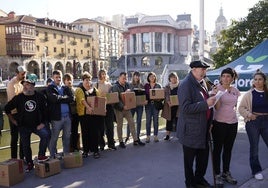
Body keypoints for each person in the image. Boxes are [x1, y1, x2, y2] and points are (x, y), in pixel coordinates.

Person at [177, 60, 216, 188]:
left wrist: (210, 97)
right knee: (189, 161)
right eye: (202, 69)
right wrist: (206, 103)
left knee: (203, 158)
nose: (205, 71)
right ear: (193, 69)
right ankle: (190, 183)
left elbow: (201, 100)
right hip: (190, 130)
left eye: (205, 69)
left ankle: (199, 179)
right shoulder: (185, 85)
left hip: (203, 127)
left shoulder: (202, 81)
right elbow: (185, 108)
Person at [5, 79, 50, 172]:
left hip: (37, 125)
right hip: (23, 126)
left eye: (27, 85)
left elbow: (46, 112)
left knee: (46, 135)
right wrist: (13, 120)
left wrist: (43, 123)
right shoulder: (18, 98)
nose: (25, 87)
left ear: (33, 86)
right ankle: (29, 162)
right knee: (26, 146)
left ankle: (41, 155)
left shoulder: (40, 97)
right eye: (24, 85)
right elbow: (7, 108)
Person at [210, 68, 240, 186]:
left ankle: (226, 172)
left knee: (228, 149)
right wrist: (217, 94)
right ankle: (217, 174)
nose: (226, 78)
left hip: (233, 123)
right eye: (224, 76)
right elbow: (216, 108)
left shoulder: (235, 90)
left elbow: (234, 106)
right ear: (220, 78)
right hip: (219, 123)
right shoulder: (216, 89)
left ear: (233, 78)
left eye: (228, 76)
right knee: (217, 149)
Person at [238, 69, 268, 181]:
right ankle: (256, 170)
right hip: (253, 122)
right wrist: (249, 115)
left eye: (260, 79)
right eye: (255, 79)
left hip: (267, 121)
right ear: (253, 81)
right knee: (254, 147)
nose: (258, 81)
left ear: (264, 81)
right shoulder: (249, 94)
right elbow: (241, 108)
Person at [111, 72, 145, 148]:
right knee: (120, 125)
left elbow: (131, 96)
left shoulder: (127, 85)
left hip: (127, 108)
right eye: (123, 78)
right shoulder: (115, 87)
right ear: (119, 78)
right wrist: (123, 107)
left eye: (125, 78)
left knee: (132, 123)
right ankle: (121, 141)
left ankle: (135, 140)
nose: (124, 80)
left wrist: (130, 92)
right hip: (119, 109)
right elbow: (116, 99)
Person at [75, 72, 103, 158]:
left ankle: (95, 150)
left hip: (94, 114)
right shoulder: (79, 90)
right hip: (84, 114)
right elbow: (82, 100)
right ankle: (86, 151)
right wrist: (88, 108)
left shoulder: (94, 90)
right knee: (85, 132)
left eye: (89, 80)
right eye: (86, 80)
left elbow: (99, 99)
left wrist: (102, 108)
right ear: (83, 81)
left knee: (94, 132)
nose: (88, 82)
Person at [46, 70, 74, 158]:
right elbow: (53, 99)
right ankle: (52, 155)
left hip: (67, 117)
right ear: (53, 78)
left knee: (66, 137)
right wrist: (64, 98)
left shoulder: (65, 88)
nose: (58, 79)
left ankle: (66, 154)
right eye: (56, 77)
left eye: (59, 77)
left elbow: (71, 99)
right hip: (57, 118)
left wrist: (60, 98)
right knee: (54, 137)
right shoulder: (50, 88)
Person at [6, 65, 26, 159]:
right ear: (17, 74)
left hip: (21, 114)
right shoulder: (11, 84)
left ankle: (22, 158)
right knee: (14, 138)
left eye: (25, 73)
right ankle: (14, 158)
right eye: (22, 74)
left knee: (23, 137)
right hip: (14, 114)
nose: (24, 75)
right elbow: (12, 102)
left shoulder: (21, 82)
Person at [94, 69, 116, 150]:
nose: (103, 75)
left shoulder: (109, 85)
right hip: (100, 107)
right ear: (99, 75)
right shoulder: (95, 85)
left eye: (104, 74)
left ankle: (111, 144)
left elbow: (111, 96)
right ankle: (101, 144)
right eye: (102, 74)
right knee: (100, 127)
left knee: (110, 126)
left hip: (108, 107)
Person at [125, 71, 147, 143]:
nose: (136, 77)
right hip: (132, 106)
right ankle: (127, 136)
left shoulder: (141, 85)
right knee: (130, 121)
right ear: (133, 76)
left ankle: (137, 137)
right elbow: (127, 95)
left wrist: (144, 100)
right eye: (135, 75)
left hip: (140, 106)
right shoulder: (129, 85)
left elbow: (144, 95)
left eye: (138, 76)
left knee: (139, 121)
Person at [63, 73, 80, 152]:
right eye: (67, 80)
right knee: (66, 133)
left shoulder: (75, 89)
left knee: (74, 131)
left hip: (75, 113)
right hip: (67, 114)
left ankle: (74, 147)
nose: (69, 81)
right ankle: (67, 149)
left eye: (70, 79)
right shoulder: (63, 90)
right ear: (64, 81)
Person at [144, 72, 163, 143]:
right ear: (148, 78)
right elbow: (144, 95)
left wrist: (159, 99)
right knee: (148, 121)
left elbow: (162, 95)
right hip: (148, 105)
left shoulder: (158, 85)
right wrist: (145, 100)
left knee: (156, 121)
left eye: (153, 76)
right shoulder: (146, 85)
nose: (152, 78)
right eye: (150, 76)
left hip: (156, 105)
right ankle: (148, 136)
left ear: (155, 77)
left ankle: (155, 136)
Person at [161, 72, 179, 141]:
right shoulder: (167, 86)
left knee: (178, 120)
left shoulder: (180, 85)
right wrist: (168, 102)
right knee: (169, 120)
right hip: (170, 106)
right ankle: (167, 135)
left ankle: (179, 135)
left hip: (178, 107)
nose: (173, 79)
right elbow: (166, 95)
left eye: (174, 77)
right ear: (169, 79)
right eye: (172, 77)